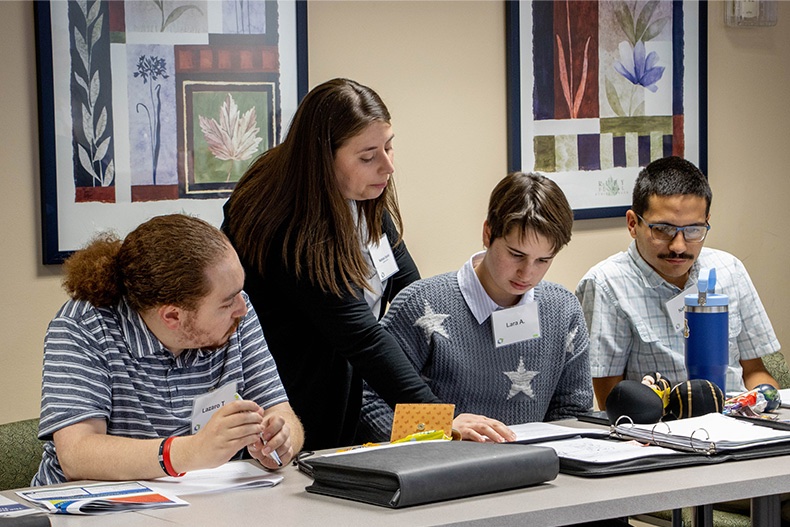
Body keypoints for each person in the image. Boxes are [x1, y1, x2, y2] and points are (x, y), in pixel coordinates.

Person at [222, 78, 449, 451]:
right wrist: (441, 420)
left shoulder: (362, 194)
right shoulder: (286, 219)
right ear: (323, 157)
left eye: (390, 147)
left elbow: (411, 292)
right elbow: (360, 337)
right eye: (367, 156)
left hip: (345, 391)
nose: (387, 166)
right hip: (289, 403)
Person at [34, 214, 304, 486]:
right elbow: (78, 455)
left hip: (202, 500)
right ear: (173, 317)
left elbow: (279, 410)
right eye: (226, 303)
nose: (242, 308)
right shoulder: (83, 326)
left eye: (239, 292)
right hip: (93, 507)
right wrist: (193, 451)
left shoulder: (236, 314)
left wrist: (281, 440)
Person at [359, 172, 594, 442]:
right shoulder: (420, 305)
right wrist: (441, 429)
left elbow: (572, 414)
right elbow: (366, 401)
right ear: (488, 233)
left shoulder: (562, 311)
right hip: (441, 472)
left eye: (543, 260)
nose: (527, 273)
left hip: (535, 473)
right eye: (516, 255)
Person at [575, 156, 779, 409]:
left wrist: (764, 402)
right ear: (632, 223)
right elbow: (611, 401)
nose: (679, 246)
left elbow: (754, 371)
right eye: (662, 229)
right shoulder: (606, 284)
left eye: (694, 230)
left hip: (736, 422)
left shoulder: (729, 270)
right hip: (662, 429)